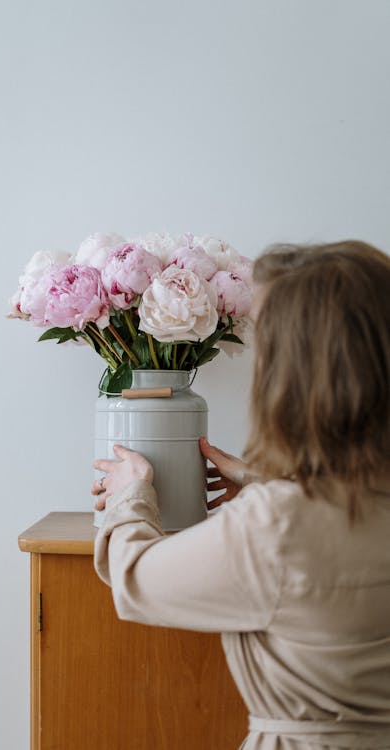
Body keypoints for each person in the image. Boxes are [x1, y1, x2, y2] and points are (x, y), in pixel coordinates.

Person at [91, 240, 390, 750]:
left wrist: (131, 495)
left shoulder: (276, 526)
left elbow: (136, 581)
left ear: (293, 376)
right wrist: (264, 482)